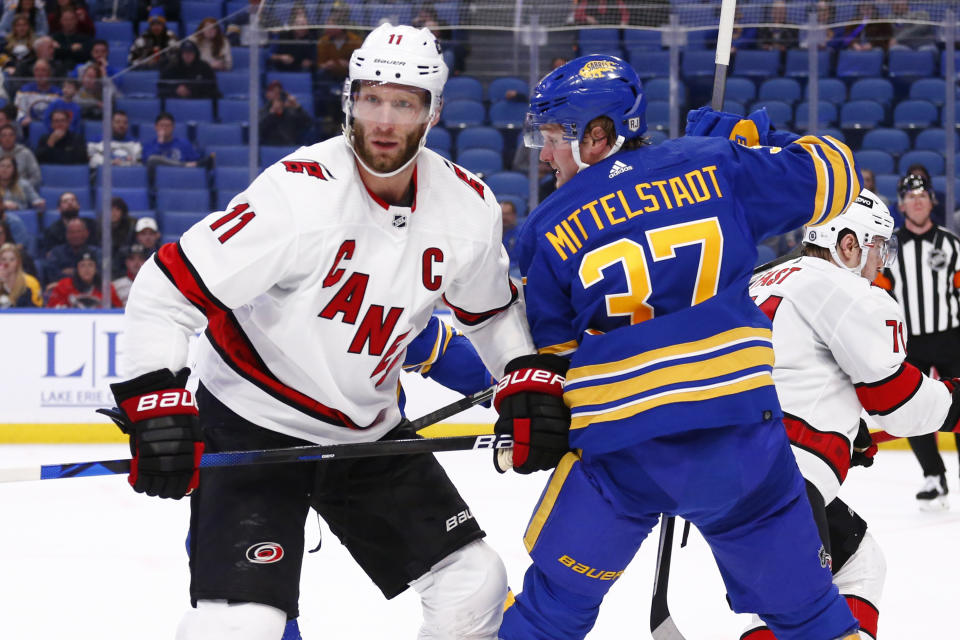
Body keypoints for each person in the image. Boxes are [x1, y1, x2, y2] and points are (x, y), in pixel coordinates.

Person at [109, 23, 545, 640]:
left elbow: (491, 313)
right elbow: (166, 290)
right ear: (349, 99)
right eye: (371, 98)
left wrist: (521, 378)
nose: (385, 121)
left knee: (474, 584)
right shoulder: (296, 196)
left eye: (404, 103)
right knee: (244, 628)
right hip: (250, 422)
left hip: (368, 434)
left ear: (433, 112)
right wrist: (156, 400)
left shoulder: (467, 207)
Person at [498, 55, 865, 640]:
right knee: (815, 619)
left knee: (549, 613)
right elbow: (838, 172)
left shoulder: (542, 229)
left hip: (621, 453)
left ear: (596, 135)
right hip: (741, 442)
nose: (542, 154)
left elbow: (557, 357)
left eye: (551, 137)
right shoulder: (717, 163)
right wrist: (756, 143)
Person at [746, 189, 960, 638]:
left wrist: (846, 428)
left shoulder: (764, 276)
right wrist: (953, 401)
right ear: (848, 245)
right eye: (878, 248)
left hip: (734, 463)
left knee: (860, 563)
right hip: (783, 476)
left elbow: (793, 373)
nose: (879, 263)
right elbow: (897, 403)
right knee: (801, 620)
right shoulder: (843, 288)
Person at [875, 173, 960, 510]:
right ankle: (933, 476)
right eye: (910, 196)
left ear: (932, 202)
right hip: (911, 341)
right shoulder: (890, 248)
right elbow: (878, 295)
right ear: (901, 204)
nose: (917, 201)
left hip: (952, 337)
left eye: (923, 195)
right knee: (913, 409)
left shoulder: (952, 244)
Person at [46, 249, 121, 307]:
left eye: (90, 265)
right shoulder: (64, 285)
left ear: (96, 268)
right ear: (77, 269)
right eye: (82, 265)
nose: (87, 269)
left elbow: (118, 311)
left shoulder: (106, 288)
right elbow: (52, 310)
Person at [259, 79, 312, 146]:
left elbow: (308, 124)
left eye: (278, 93)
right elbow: (258, 132)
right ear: (267, 94)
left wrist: (297, 106)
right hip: (270, 148)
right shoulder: (264, 111)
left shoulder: (291, 111)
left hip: (289, 148)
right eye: (274, 92)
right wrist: (271, 114)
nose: (276, 96)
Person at [14, 58, 61, 130]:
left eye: (43, 70)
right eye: (37, 70)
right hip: (29, 128)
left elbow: (60, 113)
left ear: (49, 73)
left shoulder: (57, 92)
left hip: (51, 128)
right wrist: (22, 119)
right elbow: (18, 109)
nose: (40, 73)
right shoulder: (24, 90)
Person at [0, 122, 41, 187]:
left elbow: (36, 177)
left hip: (20, 192)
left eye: (11, 135)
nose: (7, 138)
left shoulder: (26, 153)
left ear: (15, 137)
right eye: (4, 135)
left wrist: (22, 187)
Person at [0, 241, 41, 306]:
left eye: (12, 259)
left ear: (18, 262)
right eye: (3, 259)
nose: (7, 263)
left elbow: (35, 311)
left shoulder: (29, 284)